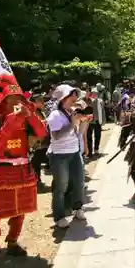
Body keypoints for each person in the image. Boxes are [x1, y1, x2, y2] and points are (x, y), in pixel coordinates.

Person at [0, 84, 47, 268]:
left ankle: (12, 241)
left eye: (19, 98)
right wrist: (11, 122)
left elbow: (42, 134)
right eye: (11, 99)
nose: (16, 102)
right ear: (2, 101)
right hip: (0, 173)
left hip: (23, 171)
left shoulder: (27, 116)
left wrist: (31, 117)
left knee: (20, 211)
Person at [47, 84, 86, 228]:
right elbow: (56, 136)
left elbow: (78, 134)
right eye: (72, 96)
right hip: (59, 155)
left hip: (74, 151)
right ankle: (59, 216)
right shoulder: (55, 115)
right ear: (64, 98)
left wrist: (83, 123)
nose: (75, 99)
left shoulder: (73, 113)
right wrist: (72, 123)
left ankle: (78, 208)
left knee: (79, 182)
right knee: (61, 186)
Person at [30, 93, 50, 185]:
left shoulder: (40, 111)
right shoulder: (31, 113)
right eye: (40, 101)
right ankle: (36, 180)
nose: (43, 103)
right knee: (36, 162)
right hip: (37, 142)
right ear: (34, 102)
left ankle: (37, 179)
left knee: (38, 161)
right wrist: (44, 122)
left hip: (44, 141)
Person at [87, 88, 105, 158]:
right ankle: (89, 151)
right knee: (89, 136)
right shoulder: (89, 101)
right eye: (93, 93)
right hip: (90, 121)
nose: (95, 95)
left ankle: (96, 149)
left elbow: (102, 111)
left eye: (96, 93)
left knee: (98, 135)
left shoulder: (100, 101)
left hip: (98, 121)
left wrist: (103, 120)